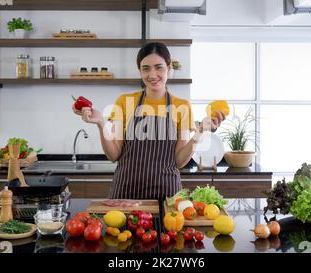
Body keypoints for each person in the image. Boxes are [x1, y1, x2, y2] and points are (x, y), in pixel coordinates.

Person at [73, 42, 225, 199]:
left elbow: (179, 161)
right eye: (146, 68)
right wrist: (100, 123)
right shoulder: (124, 102)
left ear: (169, 68)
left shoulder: (182, 106)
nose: (152, 75)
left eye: (158, 67)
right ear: (140, 70)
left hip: (167, 194)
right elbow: (114, 155)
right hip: (126, 192)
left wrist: (200, 132)